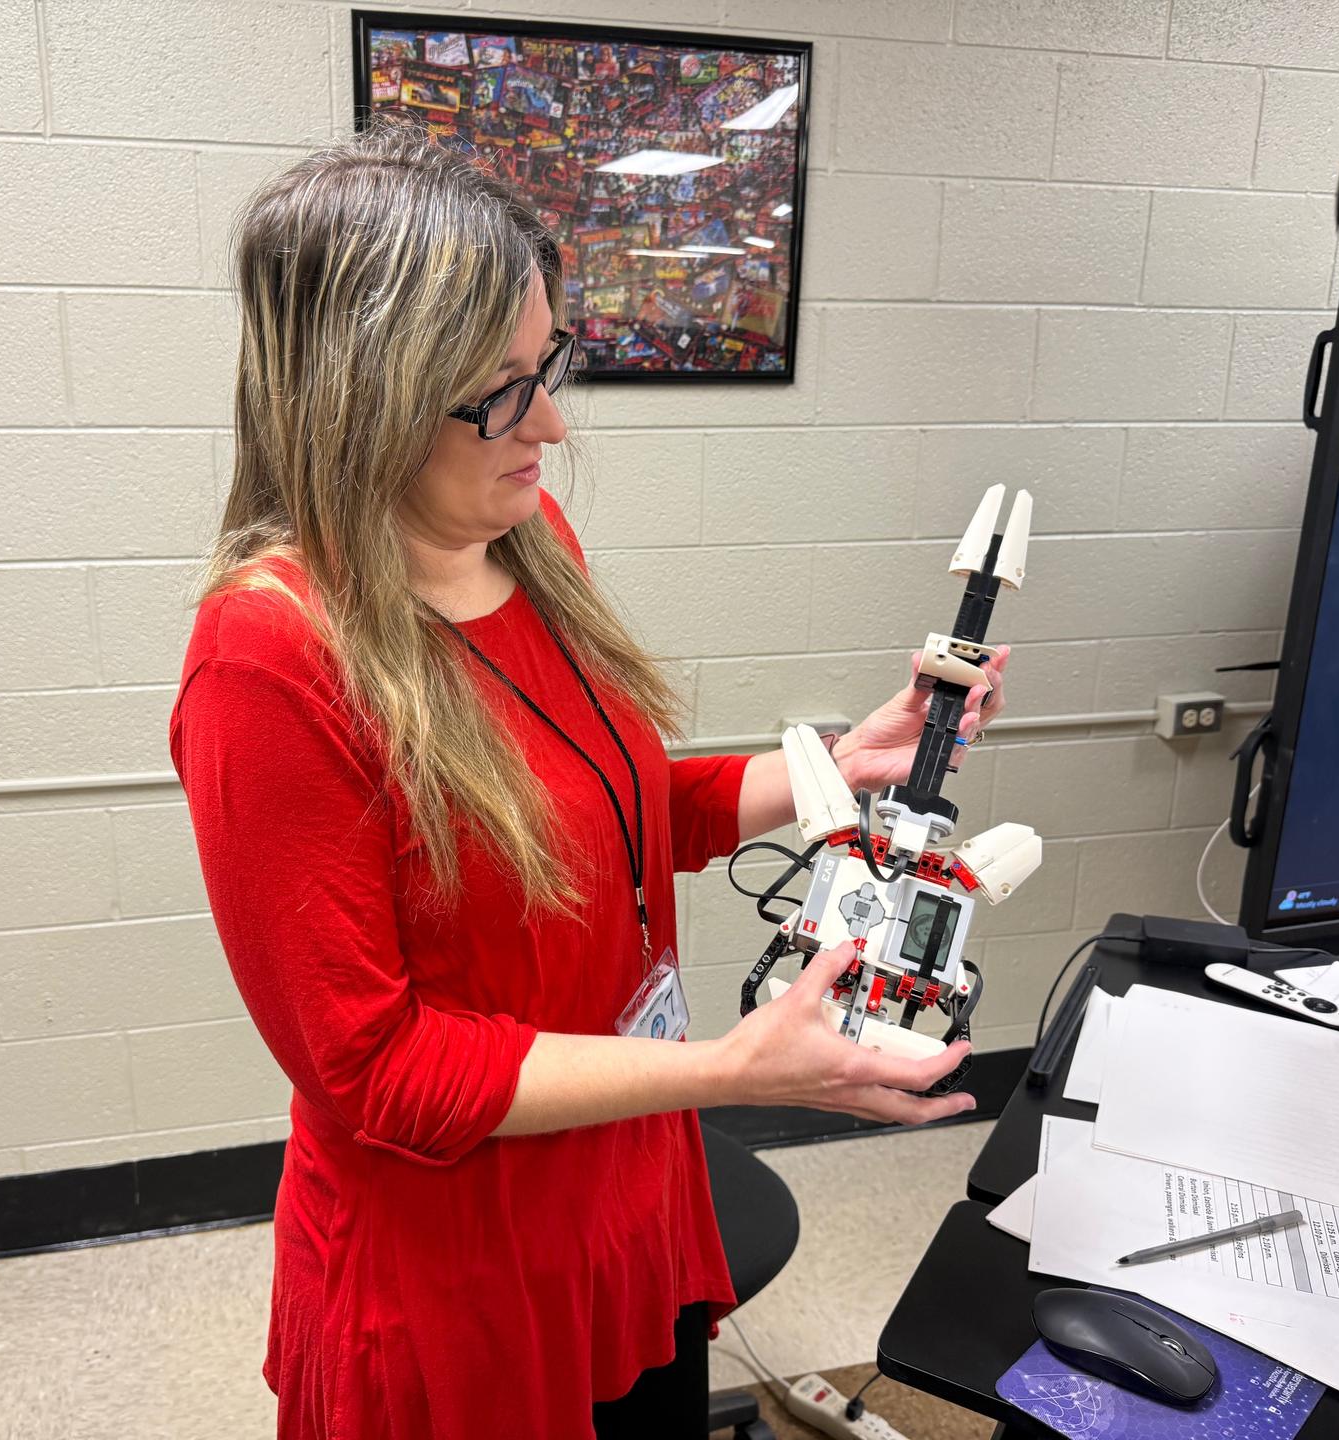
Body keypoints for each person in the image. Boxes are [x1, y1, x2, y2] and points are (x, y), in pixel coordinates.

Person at [168, 121, 1008, 1440]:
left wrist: (832, 772)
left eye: (548, 365)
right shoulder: (269, 658)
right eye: (501, 389)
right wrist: (731, 1073)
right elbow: (377, 1070)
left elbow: (617, 812)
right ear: (364, 390)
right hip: (459, 1273)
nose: (549, 423)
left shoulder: (522, 534)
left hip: (624, 1195)